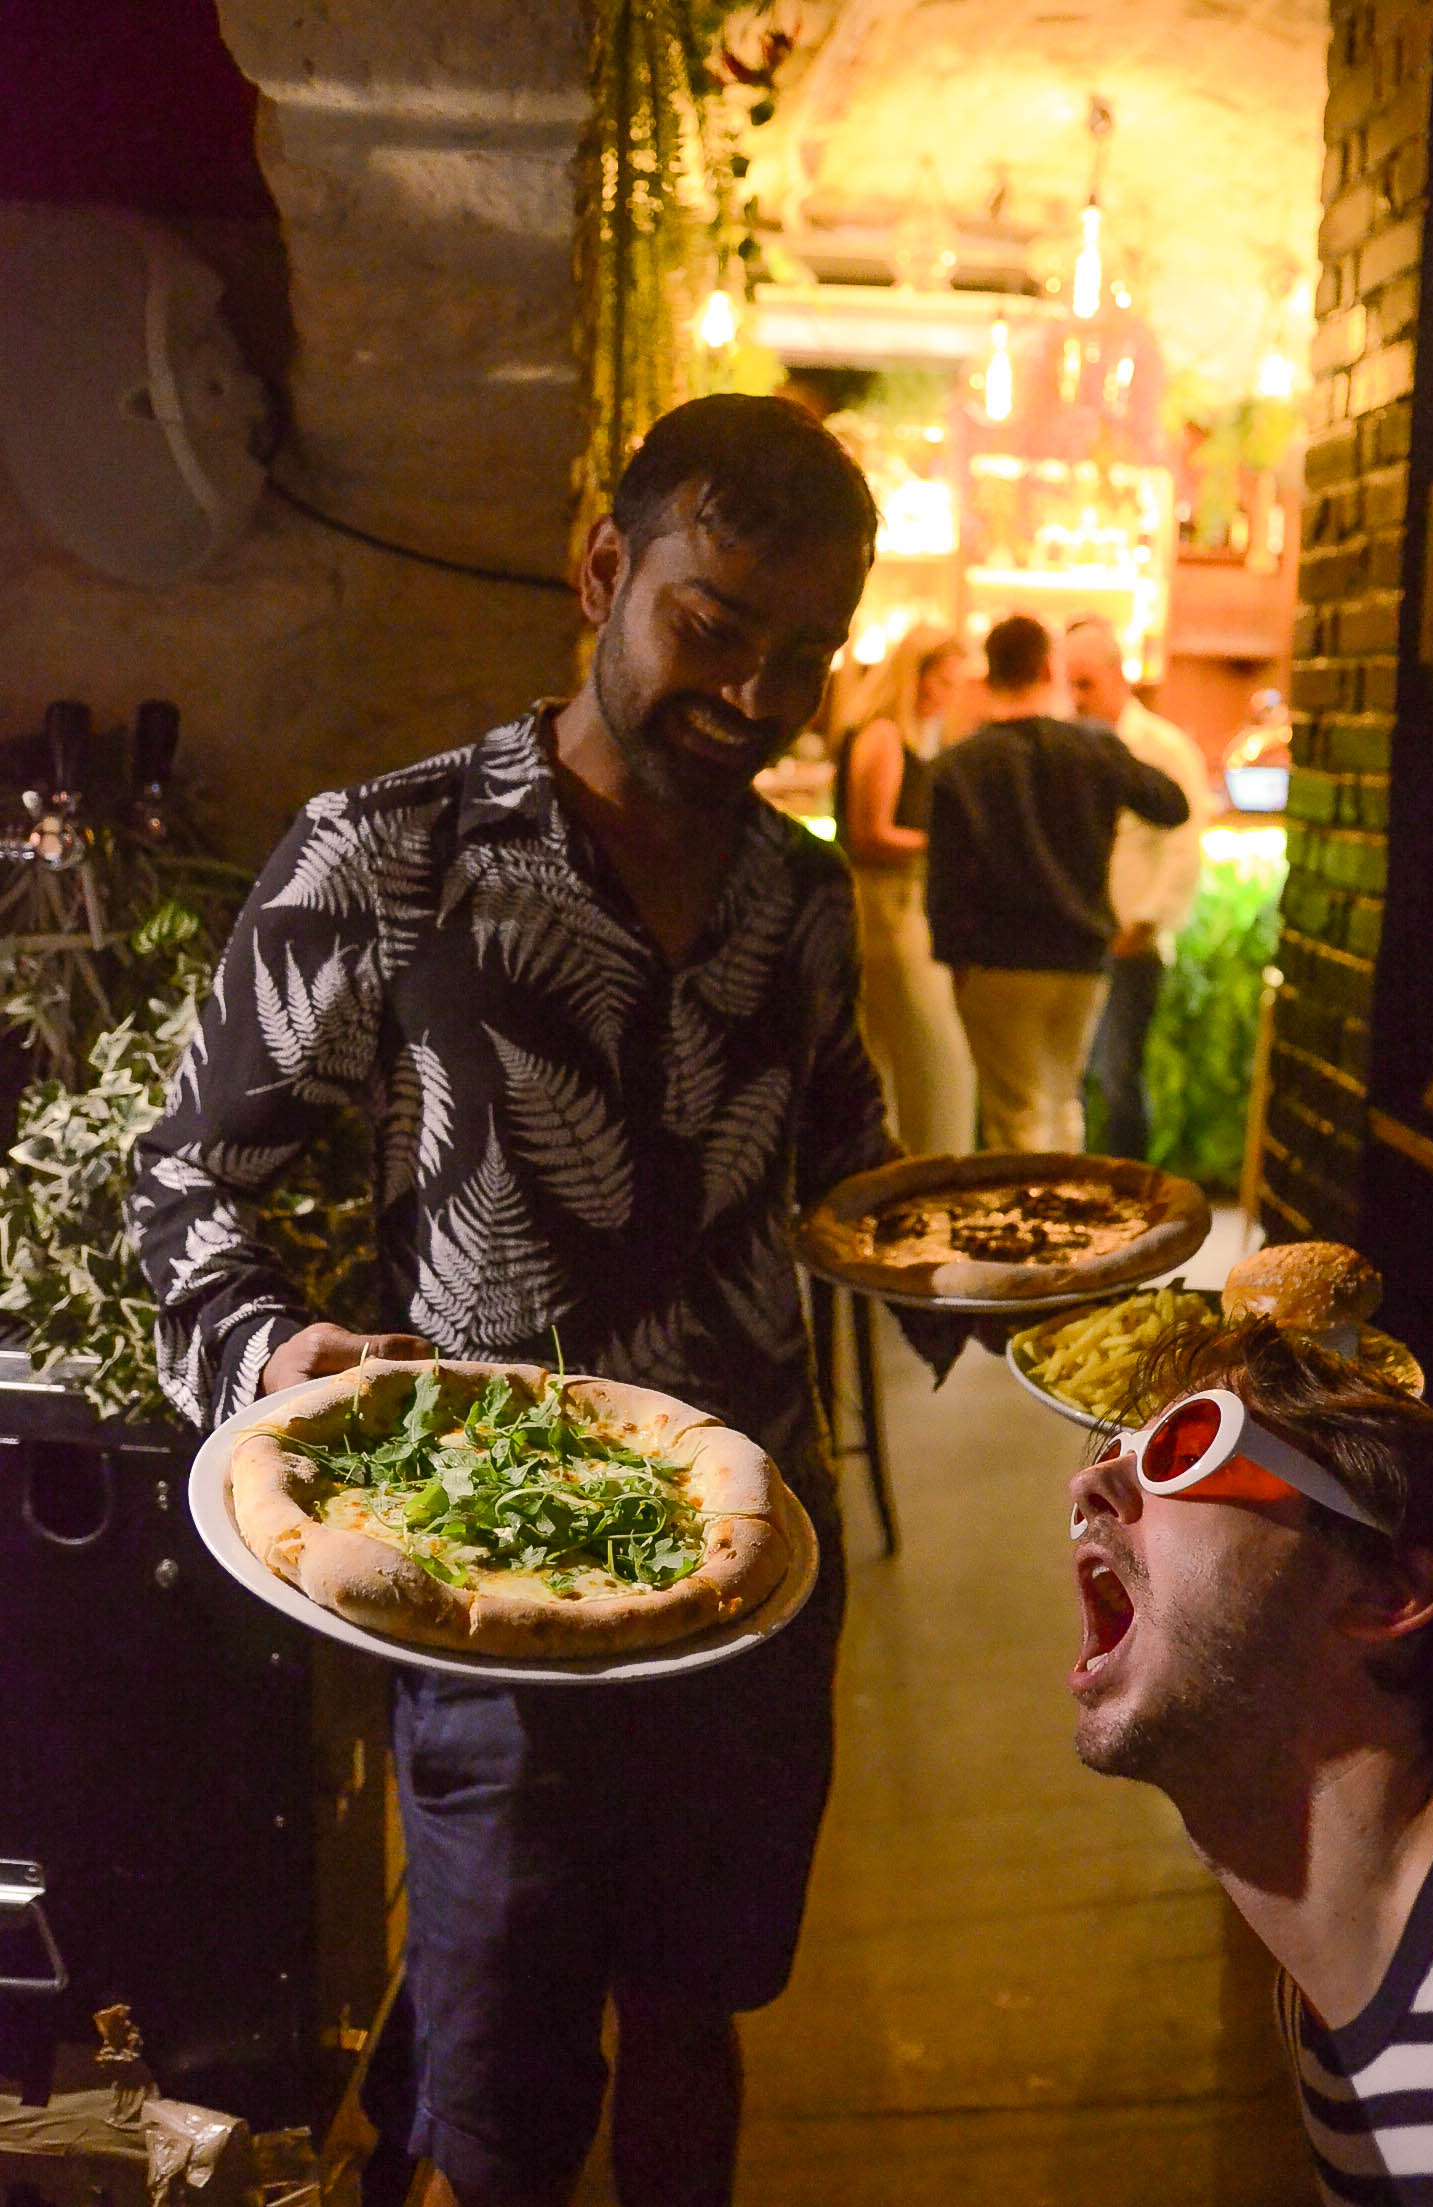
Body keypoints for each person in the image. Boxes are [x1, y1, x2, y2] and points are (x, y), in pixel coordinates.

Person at [126, 393, 935, 2207]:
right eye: (712, 623)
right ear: (601, 570)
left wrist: (975, 1260)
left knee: (702, 2011)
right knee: (499, 2072)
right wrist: (278, 1350)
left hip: (752, 1565)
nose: (755, 691)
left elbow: (839, 1168)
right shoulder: (390, 855)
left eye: (804, 650)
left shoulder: (803, 900)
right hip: (496, 1587)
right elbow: (179, 1180)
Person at [1067, 1317, 1433, 2203]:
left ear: (1385, 1593)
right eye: (1117, 1449)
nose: (1090, 1482)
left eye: (1185, 1445)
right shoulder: (1325, 2019)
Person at [925, 612, 1190, 1153]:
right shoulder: (1092, 746)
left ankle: (1023, 1231)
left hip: (996, 961)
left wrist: (953, 960)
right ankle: (1067, 1226)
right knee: (1065, 1104)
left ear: (986, 674)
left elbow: (945, 883)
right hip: (1082, 956)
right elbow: (1171, 804)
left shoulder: (957, 765)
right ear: (1050, 669)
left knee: (1013, 1114)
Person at [1063, 614, 1211, 1161]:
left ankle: (1132, 1203)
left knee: (1117, 1074)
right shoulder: (1070, 743)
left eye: (1086, 684)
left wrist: (1144, 922)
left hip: (1132, 939)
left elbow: (1184, 845)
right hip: (1080, 935)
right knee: (1074, 1079)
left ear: (1117, 675)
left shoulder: (1162, 747)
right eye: (1069, 683)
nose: (1076, 698)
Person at [833, 625, 976, 1154]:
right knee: (941, 1061)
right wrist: (941, 844)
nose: (949, 694)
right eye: (943, 681)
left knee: (887, 1058)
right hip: (889, 910)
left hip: (886, 908)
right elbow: (870, 832)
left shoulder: (891, 733)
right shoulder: (885, 735)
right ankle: (940, 1173)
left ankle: (897, 1177)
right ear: (912, 677)